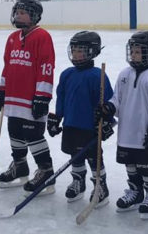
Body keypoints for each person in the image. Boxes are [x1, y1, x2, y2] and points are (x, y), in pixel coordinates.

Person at [99, 30, 148, 220]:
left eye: (138, 51)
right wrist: (108, 108)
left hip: (146, 131)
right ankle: (136, 191)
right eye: (132, 51)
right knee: (130, 162)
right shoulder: (125, 74)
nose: (133, 55)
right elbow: (117, 99)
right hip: (127, 131)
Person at [47, 31, 114, 207]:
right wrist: (56, 117)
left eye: (81, 51)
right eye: (74, 50)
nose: (76, 54)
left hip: (89, 127)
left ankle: (101, 186)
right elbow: (61, 98)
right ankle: (78, 182)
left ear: (92, 52)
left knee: (94, 157)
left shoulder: (97, 75)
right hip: (70, 124)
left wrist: (106, 120)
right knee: (74, 155)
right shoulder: (67, 74)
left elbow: (107, 102)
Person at [0, 0, 56, 195]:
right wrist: (1, 89)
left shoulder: (42, 36)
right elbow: (8, 66)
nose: (19, 15)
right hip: (14, 96)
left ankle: (46, 171)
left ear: (35, 16)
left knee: (33, 134)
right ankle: (20, 166)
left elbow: (46, 67)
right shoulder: (12, 37)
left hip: (31, 98)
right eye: (17, 12)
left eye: (24, 12)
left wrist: (42, 96)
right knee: (14, 129)